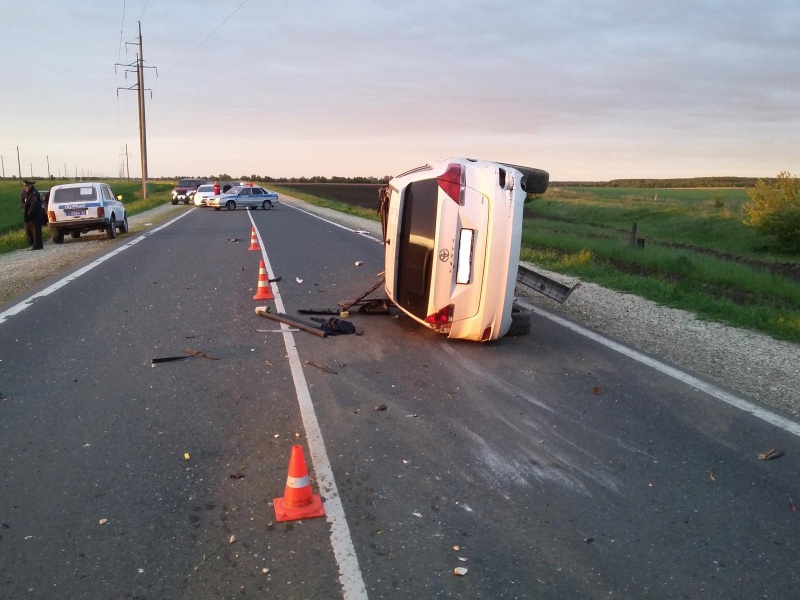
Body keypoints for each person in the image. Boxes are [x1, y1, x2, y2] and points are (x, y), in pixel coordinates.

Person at [22, 180, 45, 250]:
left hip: (35, 216)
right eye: (25, 186)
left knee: (36, 231)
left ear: (31, 186)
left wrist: (29, 213)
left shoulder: (34, 193)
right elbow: (23, 204)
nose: (26, 187)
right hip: (30, 216)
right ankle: (35, 245)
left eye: (27, 186)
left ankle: (37, 245)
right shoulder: (26, 193)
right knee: (31, 231)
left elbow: (34, 205)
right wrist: (25, 212)